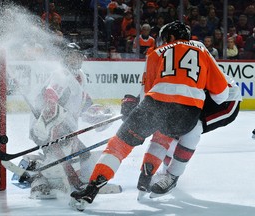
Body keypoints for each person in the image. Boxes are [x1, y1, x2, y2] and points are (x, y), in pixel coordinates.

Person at [70, 21, 229, 209]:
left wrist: (133, 109)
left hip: (157, 104)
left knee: (119, 145)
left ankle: (91, 189)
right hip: (188, 115)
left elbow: (146, 94)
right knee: (164, 134)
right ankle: (147, 177)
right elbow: (221, 95)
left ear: (169, 37)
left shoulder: (155, 53)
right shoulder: (202, 50)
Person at [24, 43, 113, 199]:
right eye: (72, 56)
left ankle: (37, 164)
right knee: (62, 163)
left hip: (66, 132)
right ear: (65, 58)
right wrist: (45, 123)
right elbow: (50, 95)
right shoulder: (61, 74)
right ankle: (38, 180)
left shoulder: (80, 76)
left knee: (84, 156)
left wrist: (99, 117)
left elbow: (85, 106)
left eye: (78, 56)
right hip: (47, 130)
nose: (76, 59)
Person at [137, 73, 242, 198]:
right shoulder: (164, 60)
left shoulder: (186, 60)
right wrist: (138, 104)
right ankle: (164, 173)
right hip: (196, 96)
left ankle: (172, 176)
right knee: (169, 127)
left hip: (224, 100)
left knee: (193, 128)